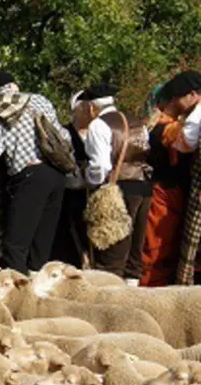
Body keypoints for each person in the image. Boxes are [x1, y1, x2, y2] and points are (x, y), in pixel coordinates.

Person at [0, 70, 71, 273]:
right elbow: (63, 135)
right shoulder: (40, 100)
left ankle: (19, 296)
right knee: (40, 245)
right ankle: (38, 289)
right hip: (55, 174)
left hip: (29, 176)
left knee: (14, 245)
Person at [82, 85, 152, 283]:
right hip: (143, 186)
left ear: (90, 107)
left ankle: (112, 301)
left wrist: (86, 177)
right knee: (134, 254)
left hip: (119, 189)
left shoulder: (99, 125)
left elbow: (101, 167)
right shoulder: (138, 122)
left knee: (112, 252)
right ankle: (132, 294)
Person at [143, 77, 200, 285]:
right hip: (166, 193)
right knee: (159, 247)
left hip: (171, 193)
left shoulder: (165, 126)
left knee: (164, 247)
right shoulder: (165, 128)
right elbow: (182, 147)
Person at [50, 91, 94, 268]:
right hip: (70, 191)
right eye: (83, 106)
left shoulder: (100, 131)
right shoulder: (64, 132)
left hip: (92, 191)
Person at [167, 71, 201, 284]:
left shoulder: (197, 117)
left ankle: (186, 292)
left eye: (177, 97)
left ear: (192, 95)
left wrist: (171, 126)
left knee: (193, 244)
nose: (175, 102)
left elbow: (184, 143)